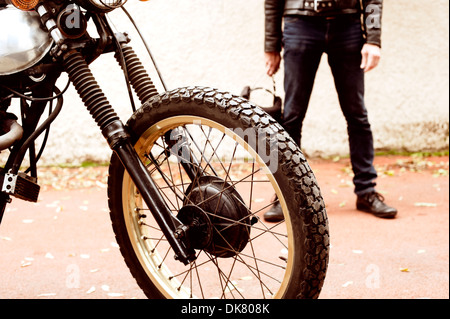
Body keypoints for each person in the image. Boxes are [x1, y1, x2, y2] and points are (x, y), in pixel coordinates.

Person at [263, 0, 397, 221]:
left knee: (357, 115)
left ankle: (366, 192)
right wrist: (271, 44)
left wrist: (373, 39)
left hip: (347, 24)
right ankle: (285, 196)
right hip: (300, 23)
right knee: (292, 117)